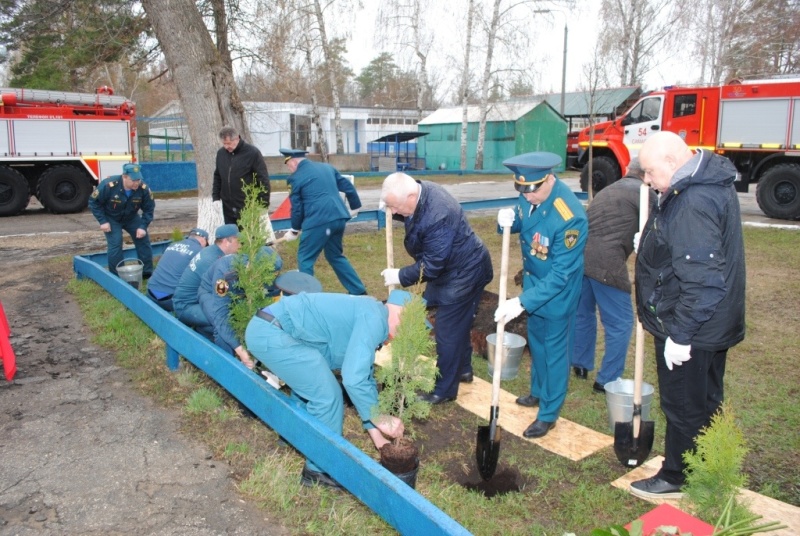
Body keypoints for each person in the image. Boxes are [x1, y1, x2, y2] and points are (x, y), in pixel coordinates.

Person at [630, 131, 745, 499]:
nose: (647, 180)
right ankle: (706, 463)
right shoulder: (705, 181)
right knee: (706, 399)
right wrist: (652, 243)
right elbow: (695, 250)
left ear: (671, 163)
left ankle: (677, 476)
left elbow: (702, 280)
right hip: (714, 323)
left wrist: (680, 335)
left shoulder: (692, 200)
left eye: (649, 172)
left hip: (693, 325)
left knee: (682, 405)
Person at [244, 289, 410, 489]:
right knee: (327, 397)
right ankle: (320, 469)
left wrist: (377, 436)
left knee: (311, 380)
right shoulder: (375, 319)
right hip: (271, 333)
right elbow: (353, 379)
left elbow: (364, 376)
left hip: (271, 330)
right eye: (410, 324)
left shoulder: (372, 313)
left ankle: (294, 434)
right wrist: (380, 418)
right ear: (401, 315)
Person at [494, 152, 587, 438]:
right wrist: (505, 222)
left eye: (532, 191)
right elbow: (523, 220)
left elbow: (560, 276)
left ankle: (548, 413)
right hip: (534, 287)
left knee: (555, 352)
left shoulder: (570, 217)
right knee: (537, 343)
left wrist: (521, 302)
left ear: (549, 179)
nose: (527, 198)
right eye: (522, 191)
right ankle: (537, 391)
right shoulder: (529, 193)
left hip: (557, 296)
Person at [379, 172, 493, 405]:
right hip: (453, 269)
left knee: (447, 332)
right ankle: (463, 370)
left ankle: (444, 390)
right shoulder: (419, 193)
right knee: (459, 324)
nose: (392, 213)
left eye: (395, 207)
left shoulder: (438, 214)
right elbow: (414, 219)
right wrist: (390, 204)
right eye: (390, 208)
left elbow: (431, 266)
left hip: (464, 275)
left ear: (411, 196)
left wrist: (399, 275)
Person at [571, 159, 656, 393]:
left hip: (581, 256)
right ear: (647, 174)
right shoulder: (644, 193)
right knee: (620, 323)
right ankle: (606, 380)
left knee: (583, 314)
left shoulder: (608, 189)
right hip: (607, 264)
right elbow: (657, 230)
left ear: (628, 171)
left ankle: (579, 364)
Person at [278, 148, 366, 295]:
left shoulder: (295, 178)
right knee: (335, 255)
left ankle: (307, 297)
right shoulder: (327, 167)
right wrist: (355, 205)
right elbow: (348, 187)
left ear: (293, 161)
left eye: (288, 165)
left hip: (318, 221)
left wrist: (294, 229)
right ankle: (358, 291)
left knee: (305, 258)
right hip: (339, 217)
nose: (289, 169)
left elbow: (297, 208)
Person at [197, 245, 284, 369]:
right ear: (252, 266)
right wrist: (240, 350)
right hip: (211, 294)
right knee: (221, 328)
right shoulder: (226, 273)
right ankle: (227, 369)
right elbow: (221, 315)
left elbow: (272, 301)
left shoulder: (271, 269)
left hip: (240, 295)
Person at [172, 224, 241, 338]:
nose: (239, 245)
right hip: (187, 306)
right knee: (225, 320)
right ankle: (202, 340)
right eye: (237, 241)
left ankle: (200, 329)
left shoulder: (212, 251)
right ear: (227, 241)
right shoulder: (214, 261)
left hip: (192, 301)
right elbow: (221, 294)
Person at [88, 163, 155, 277]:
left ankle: (147, 273)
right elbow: (93, 202)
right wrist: (102, 221)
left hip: (131, 217)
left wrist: (143, 226)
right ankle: (117, 275)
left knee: (143, 240)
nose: (136, 183)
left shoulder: (143, 189)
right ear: (124, 177)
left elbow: (149, 209)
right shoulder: (109, 185)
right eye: (133, 180)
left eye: (138, 179)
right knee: (116, 243)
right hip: (111, 218)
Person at [212, 126, 271, 226]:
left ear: (237, 138)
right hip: (228, 208)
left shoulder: (252, 153)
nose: (226, 147)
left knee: (248, 239)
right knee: (232, 239)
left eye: (229, 143)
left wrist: (263, 205)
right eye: (224, 144)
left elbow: (263, 180)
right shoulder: (221, 154)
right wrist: (216, 198)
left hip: (248, 207)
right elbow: (218, 176)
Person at [146, 228, 209, 312]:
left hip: (150, 293)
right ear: (203, 239)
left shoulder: (172, 245)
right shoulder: (200, 251)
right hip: (170, 301)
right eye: (206, 244)